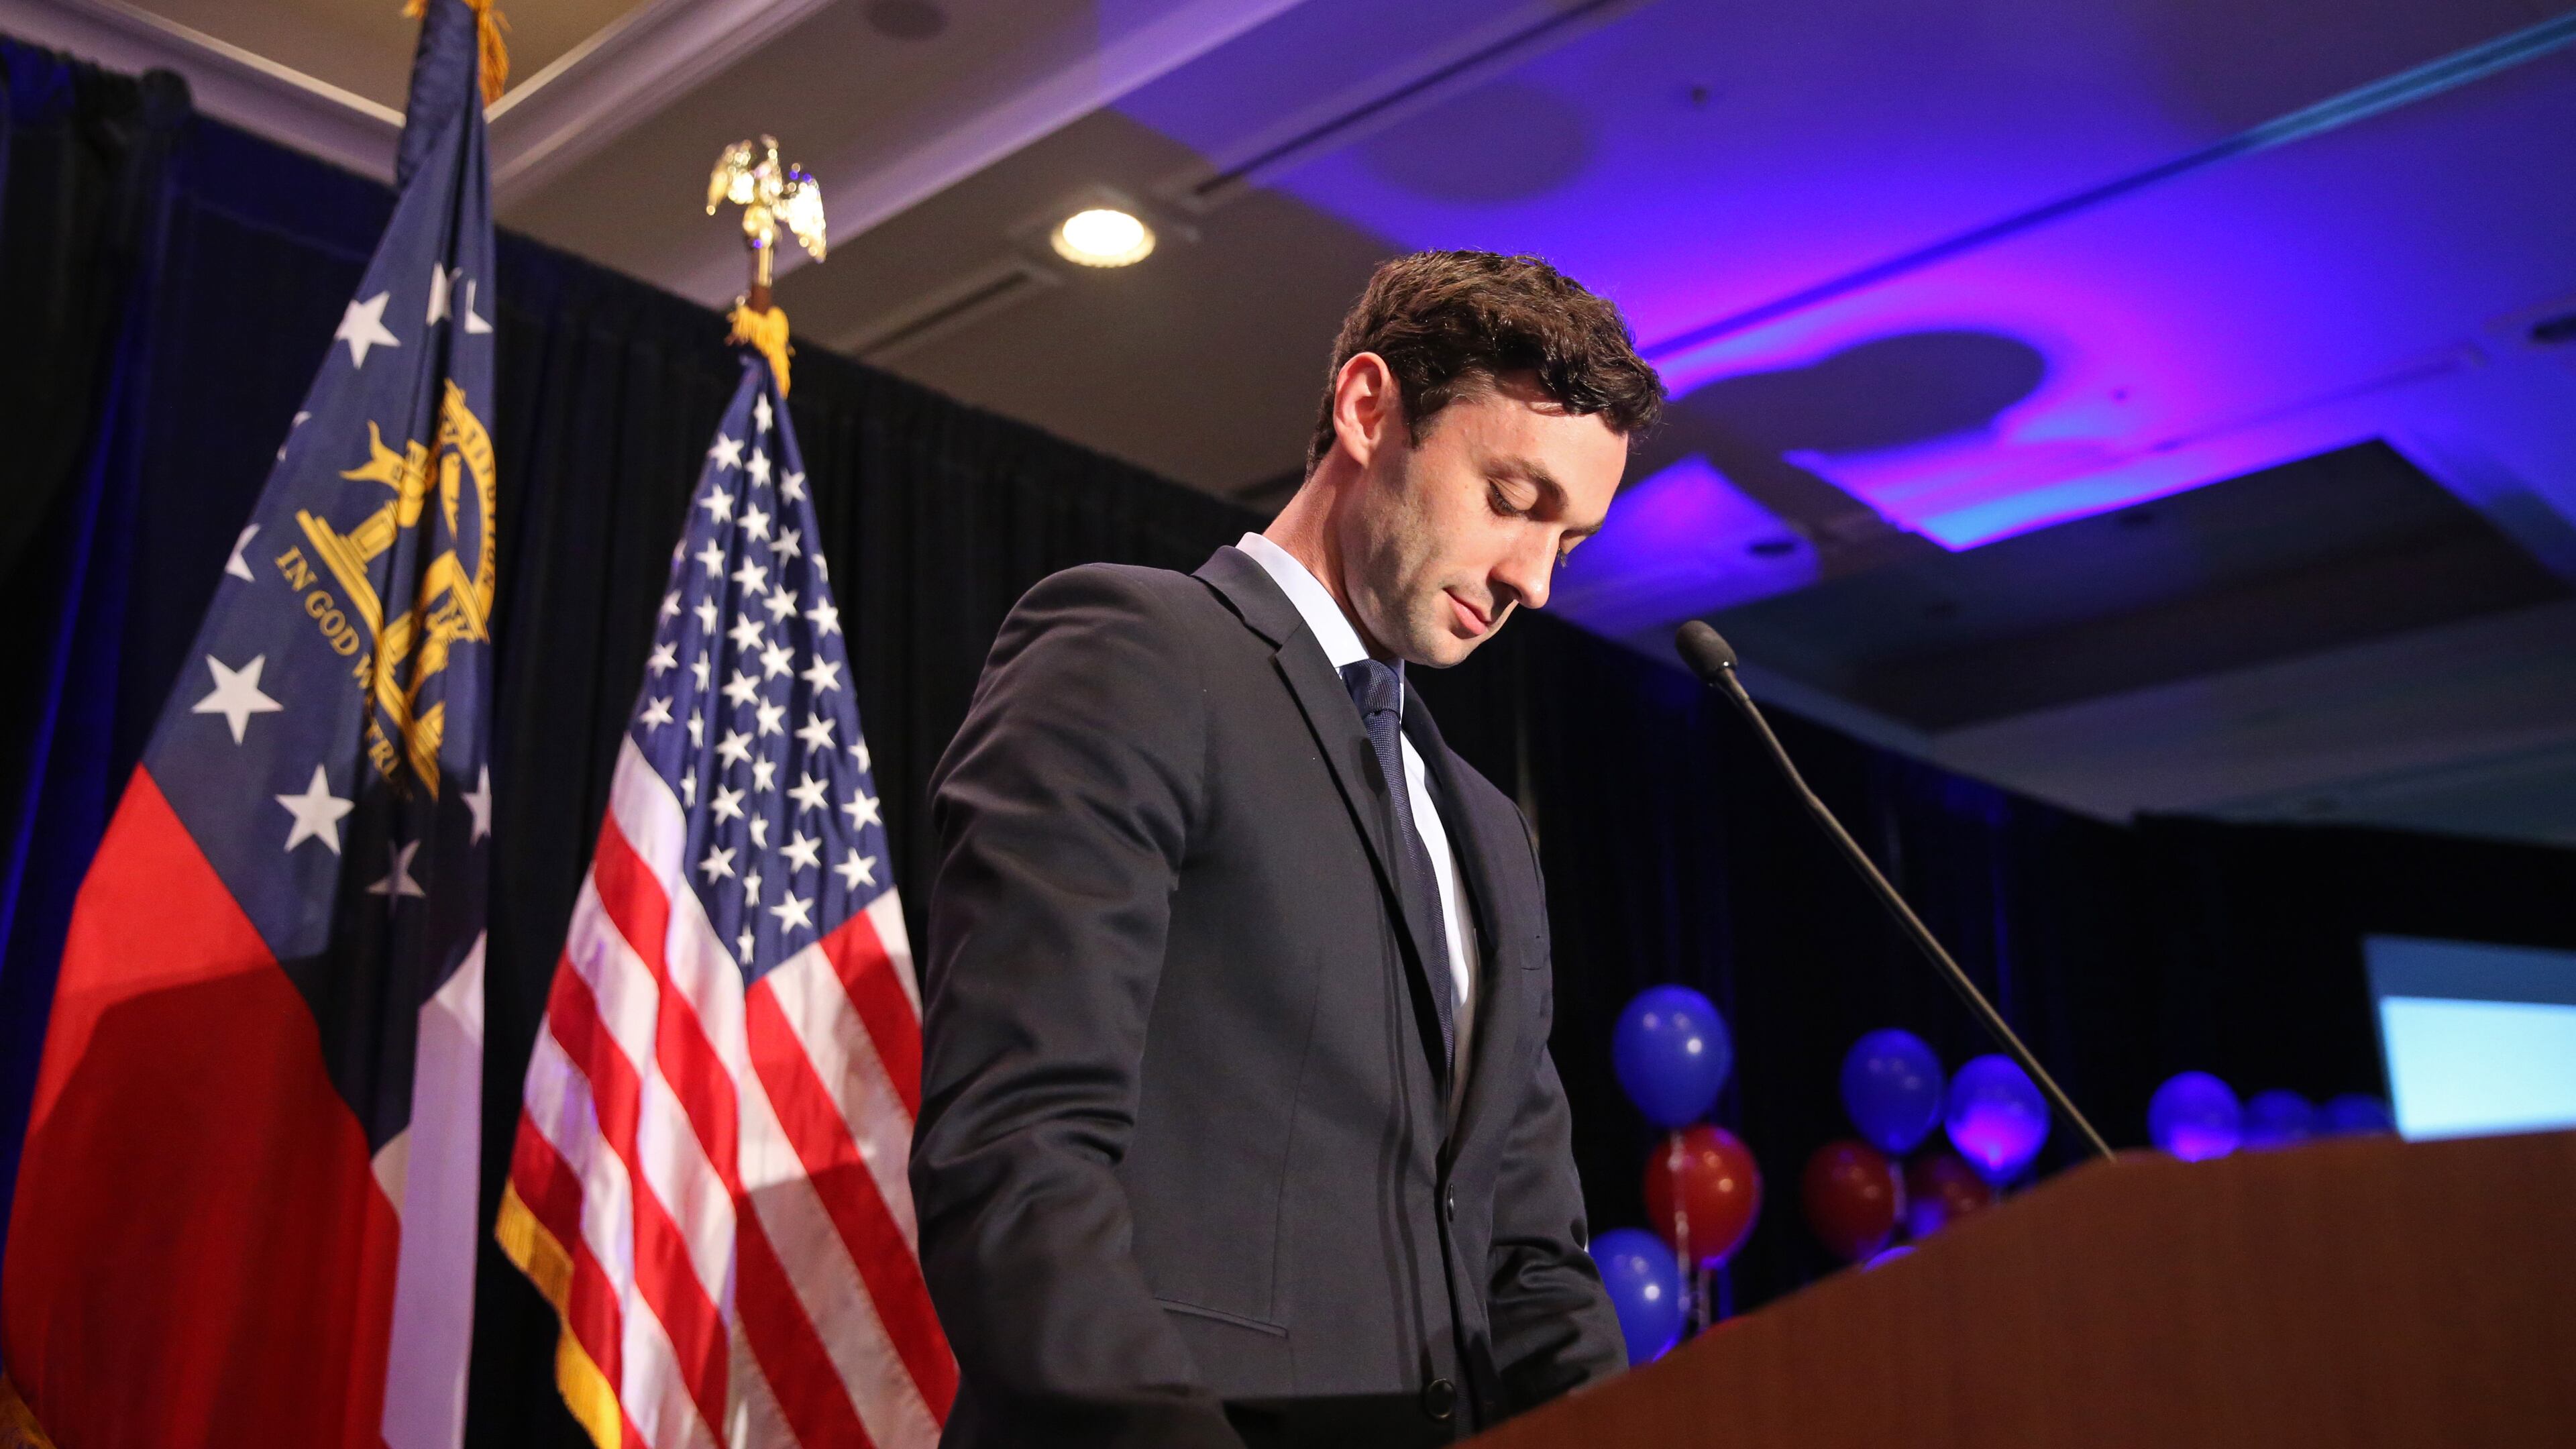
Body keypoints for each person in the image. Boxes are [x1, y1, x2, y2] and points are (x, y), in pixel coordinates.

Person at [912, 250, 1666, 1447]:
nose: (1534, 580)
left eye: (1567, 543)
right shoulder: (1137, 650)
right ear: (1370, 411)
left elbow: (1528, 1256)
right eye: (1515, 500)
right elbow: (1019, 1161)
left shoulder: (1487, 831)